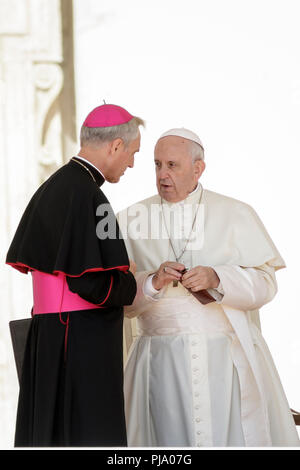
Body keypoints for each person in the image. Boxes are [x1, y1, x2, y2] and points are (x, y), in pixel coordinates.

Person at [117, 127, 300, 447]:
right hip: (158, 361)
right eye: (157, 165)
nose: (162, 174)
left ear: (198, 168)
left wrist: (218, 278)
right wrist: (153, 282)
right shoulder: (129, 219)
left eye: (172, 165)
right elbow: (119, 301)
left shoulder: (236, 213)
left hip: (225, 360)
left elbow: (266, 284)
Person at [6, 103, 144, 447]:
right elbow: (92, 283)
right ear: (115, 145)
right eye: (132, 153)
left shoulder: (55, 186)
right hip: (82, 342)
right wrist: (134, 282)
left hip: (53, 335)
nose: (131, 164)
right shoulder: (89, 196)